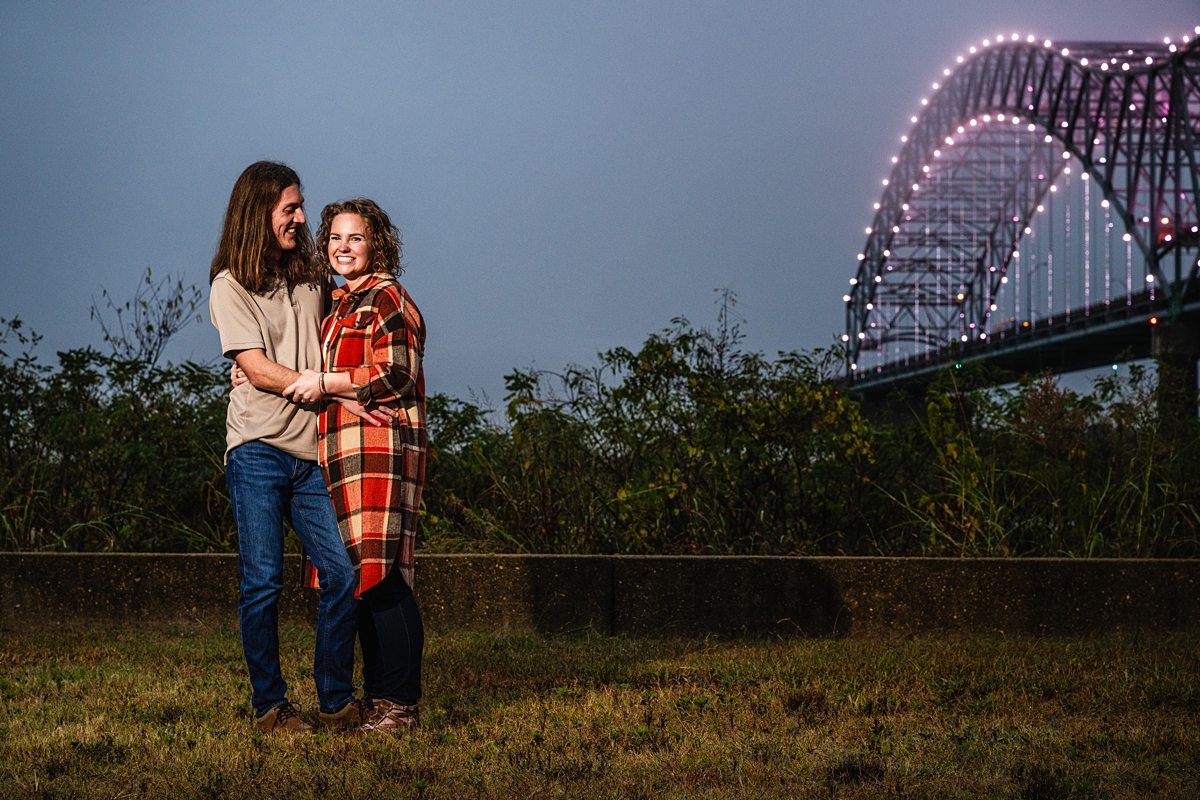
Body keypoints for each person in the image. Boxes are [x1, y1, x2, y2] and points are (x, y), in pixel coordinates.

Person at [208, 162, 369, 734]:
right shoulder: (230, 284)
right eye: (291, 209)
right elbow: (255, 368)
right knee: (264, 581)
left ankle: (334, 700)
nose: (303, 218)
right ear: (260, 212)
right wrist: (278, 375)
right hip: (255, 449)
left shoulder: (310, 274)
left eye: (300, 206)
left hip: (310, 454)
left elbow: (346, 322)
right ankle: (270, 707)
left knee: (342, 577)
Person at [282, 198, 427, 734]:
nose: (343, 248)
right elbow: (317, 374)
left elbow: (397, 371)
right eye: (335, 239)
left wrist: (329, 384)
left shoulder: (387, 298)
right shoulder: (341, 304)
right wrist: (254, 375)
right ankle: (377, 699)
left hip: (380, 453)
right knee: (356, 579)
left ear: (378, 244)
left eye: (355, 238)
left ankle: (402, 705)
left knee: (383, 577)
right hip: (340, 455)